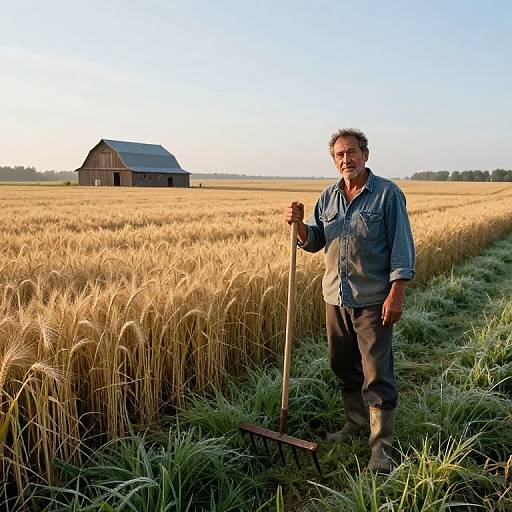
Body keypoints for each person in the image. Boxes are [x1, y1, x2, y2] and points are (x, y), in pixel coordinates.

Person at [284, 128, 415, 473]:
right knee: (342, 365)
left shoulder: (387, 194)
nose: (347, 160)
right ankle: (356, 422)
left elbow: (402, 248)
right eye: (339, 155)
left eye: (352, 153)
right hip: (335, 298)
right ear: (334, 160)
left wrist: (396, 294)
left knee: (376, 373)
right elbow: (313, 241)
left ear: (366, 155)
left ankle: (381, 447)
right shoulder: (327, 198)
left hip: (373, 299)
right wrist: (299, 226)